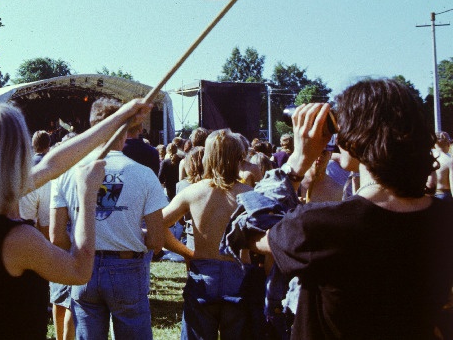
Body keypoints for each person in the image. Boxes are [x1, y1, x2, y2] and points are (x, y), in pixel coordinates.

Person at [251, 79, 453, 338]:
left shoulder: (321, 225)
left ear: (355, 141)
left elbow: (249, 230)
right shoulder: (443, 218)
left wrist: (297, 163)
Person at [0, 99, 151, 340]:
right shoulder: (18, 239)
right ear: (17, 155)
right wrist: (87, 196)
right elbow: (78, 271)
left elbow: (52, 164)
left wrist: (122, 117)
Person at [52, 97, 167, 340]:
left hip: (82, 269)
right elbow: (157, 240)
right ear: (126, 130)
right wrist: (129, 234)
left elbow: (56, 236)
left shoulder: (67, 173)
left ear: (93, 128)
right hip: (127, 269)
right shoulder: (144, 174)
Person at [163, 129, 254, 340]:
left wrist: (187, 252)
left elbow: (158, 226)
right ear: (239, 158)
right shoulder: (251, 196)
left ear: (206, 158)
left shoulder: (193, 192)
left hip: (203, 273)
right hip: (239, 274)